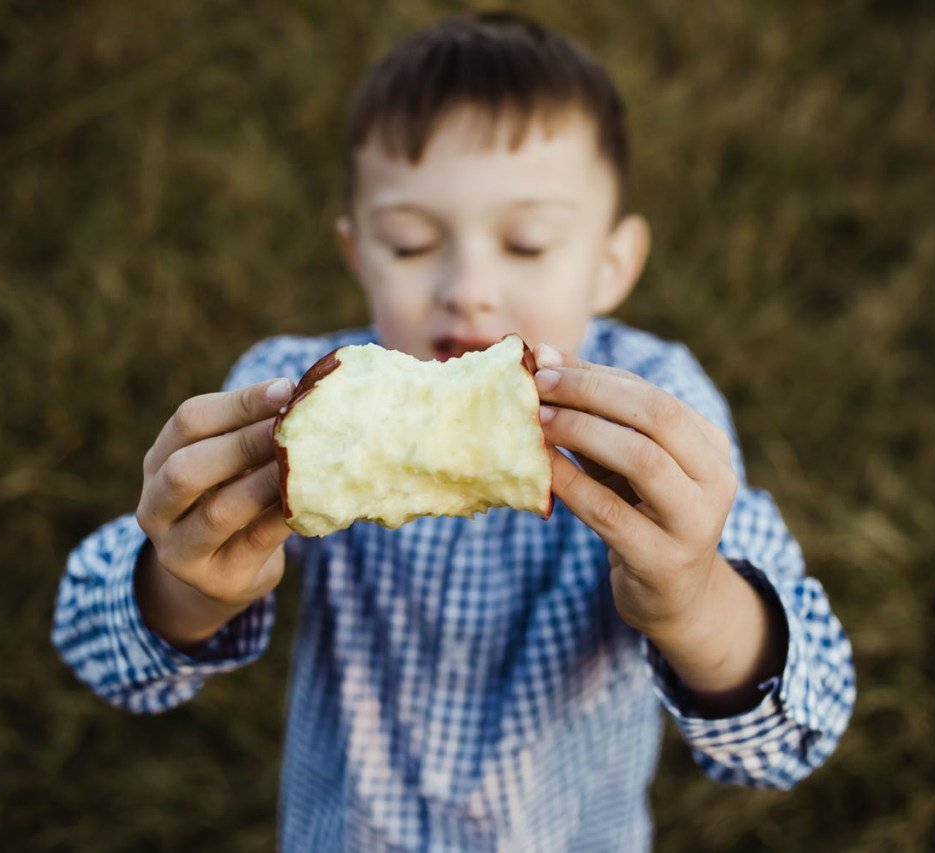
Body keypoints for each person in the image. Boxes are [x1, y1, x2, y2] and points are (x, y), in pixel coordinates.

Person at [53, 11, 855, 850]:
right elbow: (94, 646)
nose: (468, 288)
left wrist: (696, 599)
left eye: (528, 242)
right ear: (358, 252)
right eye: (411, 243)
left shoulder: (657, 414)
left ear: (612, 263)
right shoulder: (295, 407)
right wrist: (187, 587)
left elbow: (799, 735)